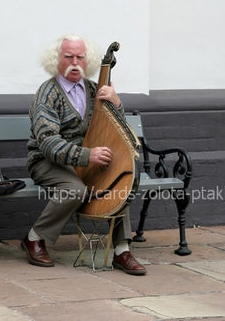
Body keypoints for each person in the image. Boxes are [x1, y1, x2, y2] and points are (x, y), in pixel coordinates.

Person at [22, 34, 146, 275]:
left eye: (79, 57)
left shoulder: (93, 89)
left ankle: (121, 251)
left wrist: (117, 103)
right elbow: (48, 143)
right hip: (47, 161)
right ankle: (34, 238)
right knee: (75, 189)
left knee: (120, 179)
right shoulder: (47, 93)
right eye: (68, 57)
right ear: (56, 60)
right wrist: (86, 155)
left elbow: (113, 126)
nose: (74, 62)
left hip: (85, 160)